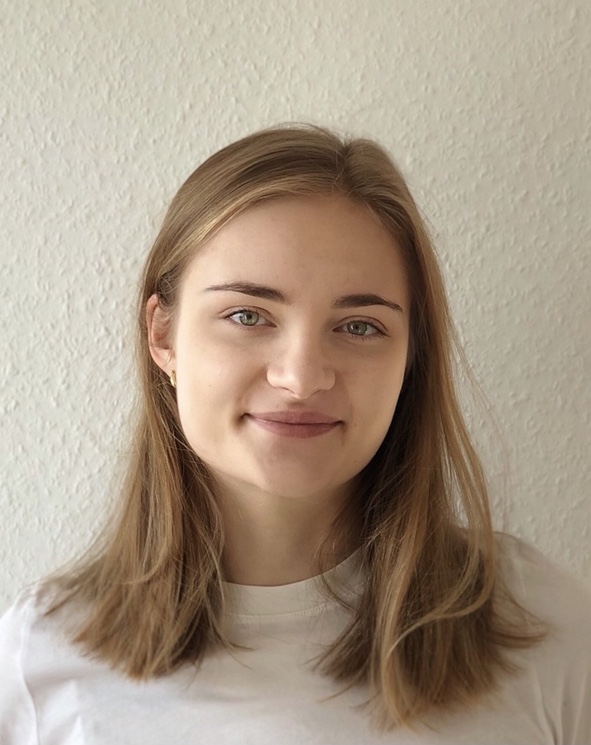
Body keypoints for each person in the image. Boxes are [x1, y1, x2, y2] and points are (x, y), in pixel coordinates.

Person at [0, 125, 590, 744]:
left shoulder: (542, 630)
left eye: (359, 326)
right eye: (248, 315)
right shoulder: (38, 659)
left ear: (411, 355)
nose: (302, 378)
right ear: (163, 335)